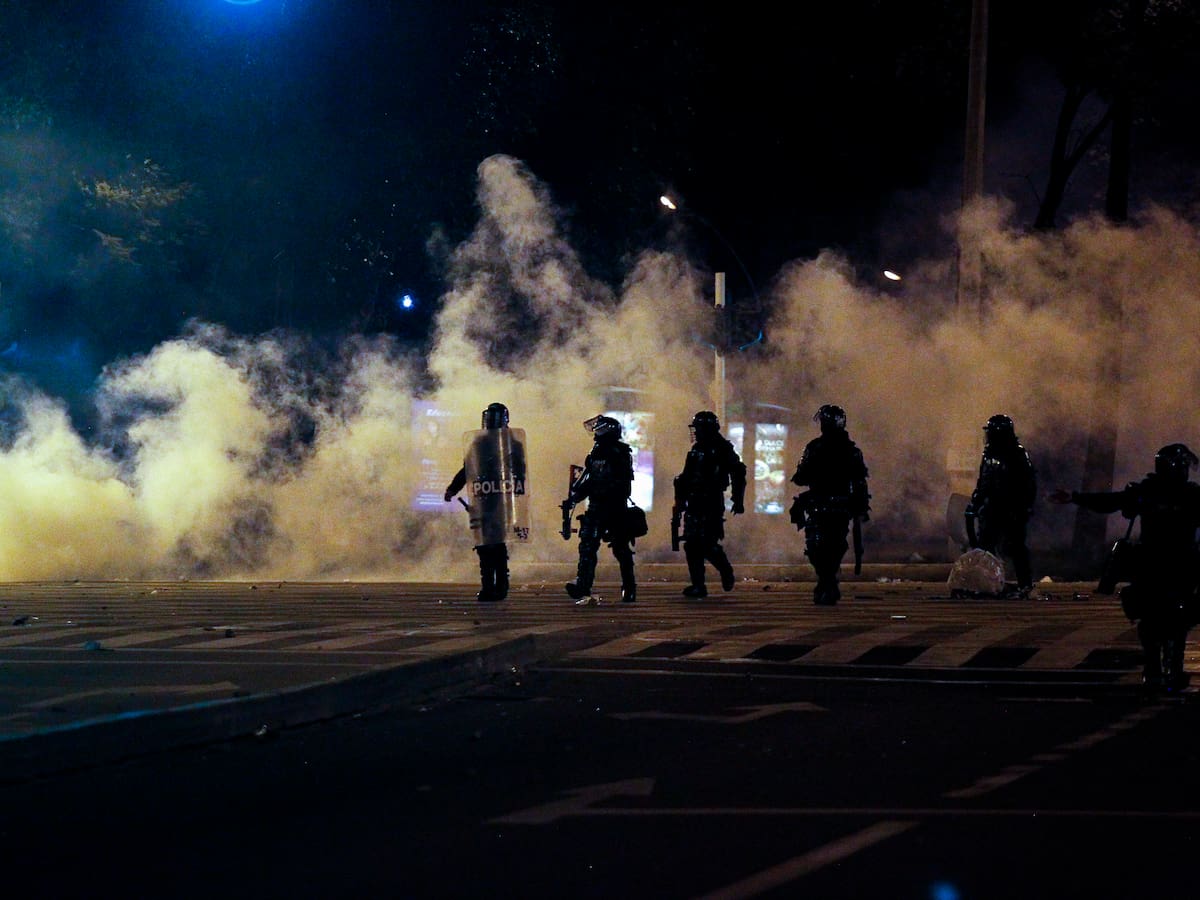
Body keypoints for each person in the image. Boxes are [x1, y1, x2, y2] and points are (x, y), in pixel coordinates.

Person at [1050, 443, 1200, 692]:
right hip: (1163, 564)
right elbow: (1114, 501)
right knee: (1160, 618)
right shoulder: (1166, 492)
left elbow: (1114, 501)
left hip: (1171, 565)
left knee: (1174, 618)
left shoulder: (1168, 493)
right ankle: (1159, 667)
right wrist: (1076, 497)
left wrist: (1076, 497)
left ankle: (1164, 667)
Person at [444, 402, 528, 602]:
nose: (490, 421)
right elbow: (468, 469)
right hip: (483, 498)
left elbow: (520, 473)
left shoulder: (511, 443)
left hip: (501, 500)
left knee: (497, 545)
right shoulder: (479, 443)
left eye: (494, 417)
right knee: (483, 545)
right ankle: (488, 586)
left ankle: (500, 587)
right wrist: (452, 488)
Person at [790, 404, 870, 606]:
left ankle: (827, 582)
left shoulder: (847, 451)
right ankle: (827, 581)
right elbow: (800, 476)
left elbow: (859, 480)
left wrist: (860, 505)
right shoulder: (818, 448)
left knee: (828, 546)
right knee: (819, 546)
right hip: (824, 504)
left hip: (833, 505)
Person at [564, 415, 637, 606]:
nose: (595, 432)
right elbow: (587, 480)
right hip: (596, 508)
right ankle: (583, 585)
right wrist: (575, 497)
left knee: (621, 549)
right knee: (587, 547)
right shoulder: (596, 453)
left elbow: (623, 485)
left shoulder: (621, 453)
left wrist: (599, 489)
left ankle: (629, 587)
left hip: (615, 509)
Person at [673, 410, 747, 598]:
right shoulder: (696, 449)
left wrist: (738, 500)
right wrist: (680, 497)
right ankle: (698, 585)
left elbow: (738, 472)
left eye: (698, 428)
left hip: (712, 500)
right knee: (691, 544)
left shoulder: (722, 448)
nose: (695, 432)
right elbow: (687, 475)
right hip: (694, 500)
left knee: (706, 542)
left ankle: (725, 570)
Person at [965, 414, 1037, 595]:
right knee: (985, 547)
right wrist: (975, 502)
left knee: (1016, 547)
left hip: (1012, 509)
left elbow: (1028, 484)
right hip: (992, 509)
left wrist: (1023, 508)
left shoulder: (1017, 454)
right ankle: (987, 583)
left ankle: (1025, 583)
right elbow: (984, 482)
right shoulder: (988, 454)